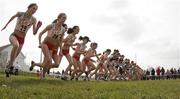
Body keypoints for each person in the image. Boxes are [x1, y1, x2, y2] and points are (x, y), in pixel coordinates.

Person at [1, 3, 42, 77]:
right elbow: (12, 17)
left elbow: (34, 33)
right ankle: (10, 67)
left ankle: (8, 68)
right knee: (15, 45)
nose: (34, 10)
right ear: (29, 8)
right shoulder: (20, 14)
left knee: (14, 57)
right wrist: (5, 26)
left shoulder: (34, 19)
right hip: (14, 35)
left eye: (36, 9)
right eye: (33, 8)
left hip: (22, 39)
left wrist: (38, 27)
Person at [30, 13, 67, 79]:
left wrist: (61, 50)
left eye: (65, 18)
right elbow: (40, 34)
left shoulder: (63, 29)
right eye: (63, 18)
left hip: (52, 46)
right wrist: (40, 43)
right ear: (58, 18)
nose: (64, 19)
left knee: (50, 63)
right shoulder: (51, 26)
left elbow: (61, 41)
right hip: (45, 43)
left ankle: (43, 74)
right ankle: (42, 75)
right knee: (49, 60)